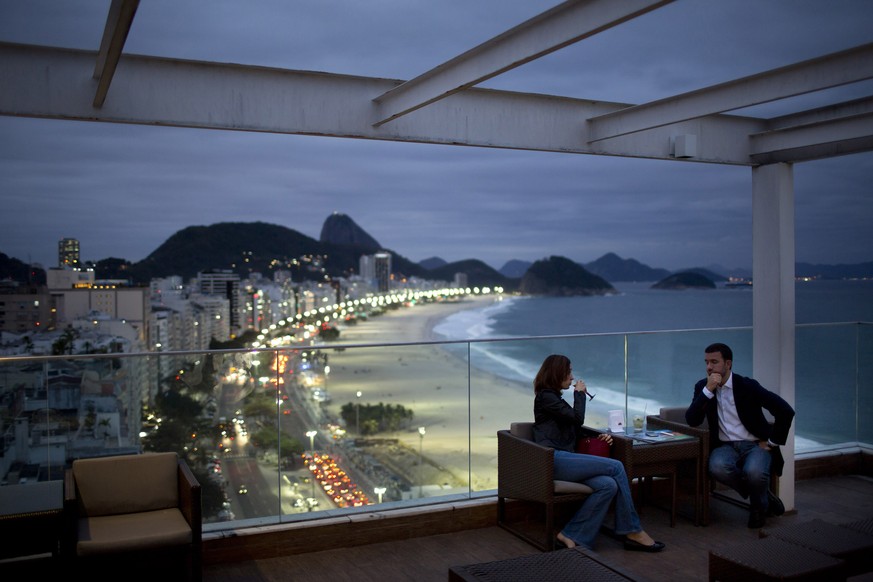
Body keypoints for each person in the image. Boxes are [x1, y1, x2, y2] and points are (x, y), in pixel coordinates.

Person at [532, 354, 665, 552]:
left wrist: (598, 440)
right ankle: (632, 530)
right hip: (554, 459)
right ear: (557, 373)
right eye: (568, 372)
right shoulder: (546, 397)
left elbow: (573, 430)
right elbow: (577, 418)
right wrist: (579, 394)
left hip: (567, 459)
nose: (572, 376)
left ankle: (572, 534)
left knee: (608, 485)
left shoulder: (555, 400)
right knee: (616, 466)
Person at [685, 342, 795, 528]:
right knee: (717, 467)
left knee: (754, 472)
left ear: (728, 364)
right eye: (706, 362)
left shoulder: (747, 386)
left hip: (754, 445)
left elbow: (785, 410)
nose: (709, 367)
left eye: (714, 362)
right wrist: (708, 391)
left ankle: (758, 510)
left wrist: (772, 442)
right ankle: (761, 495)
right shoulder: (703, 387)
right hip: (725, 447)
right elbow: (692, 420)